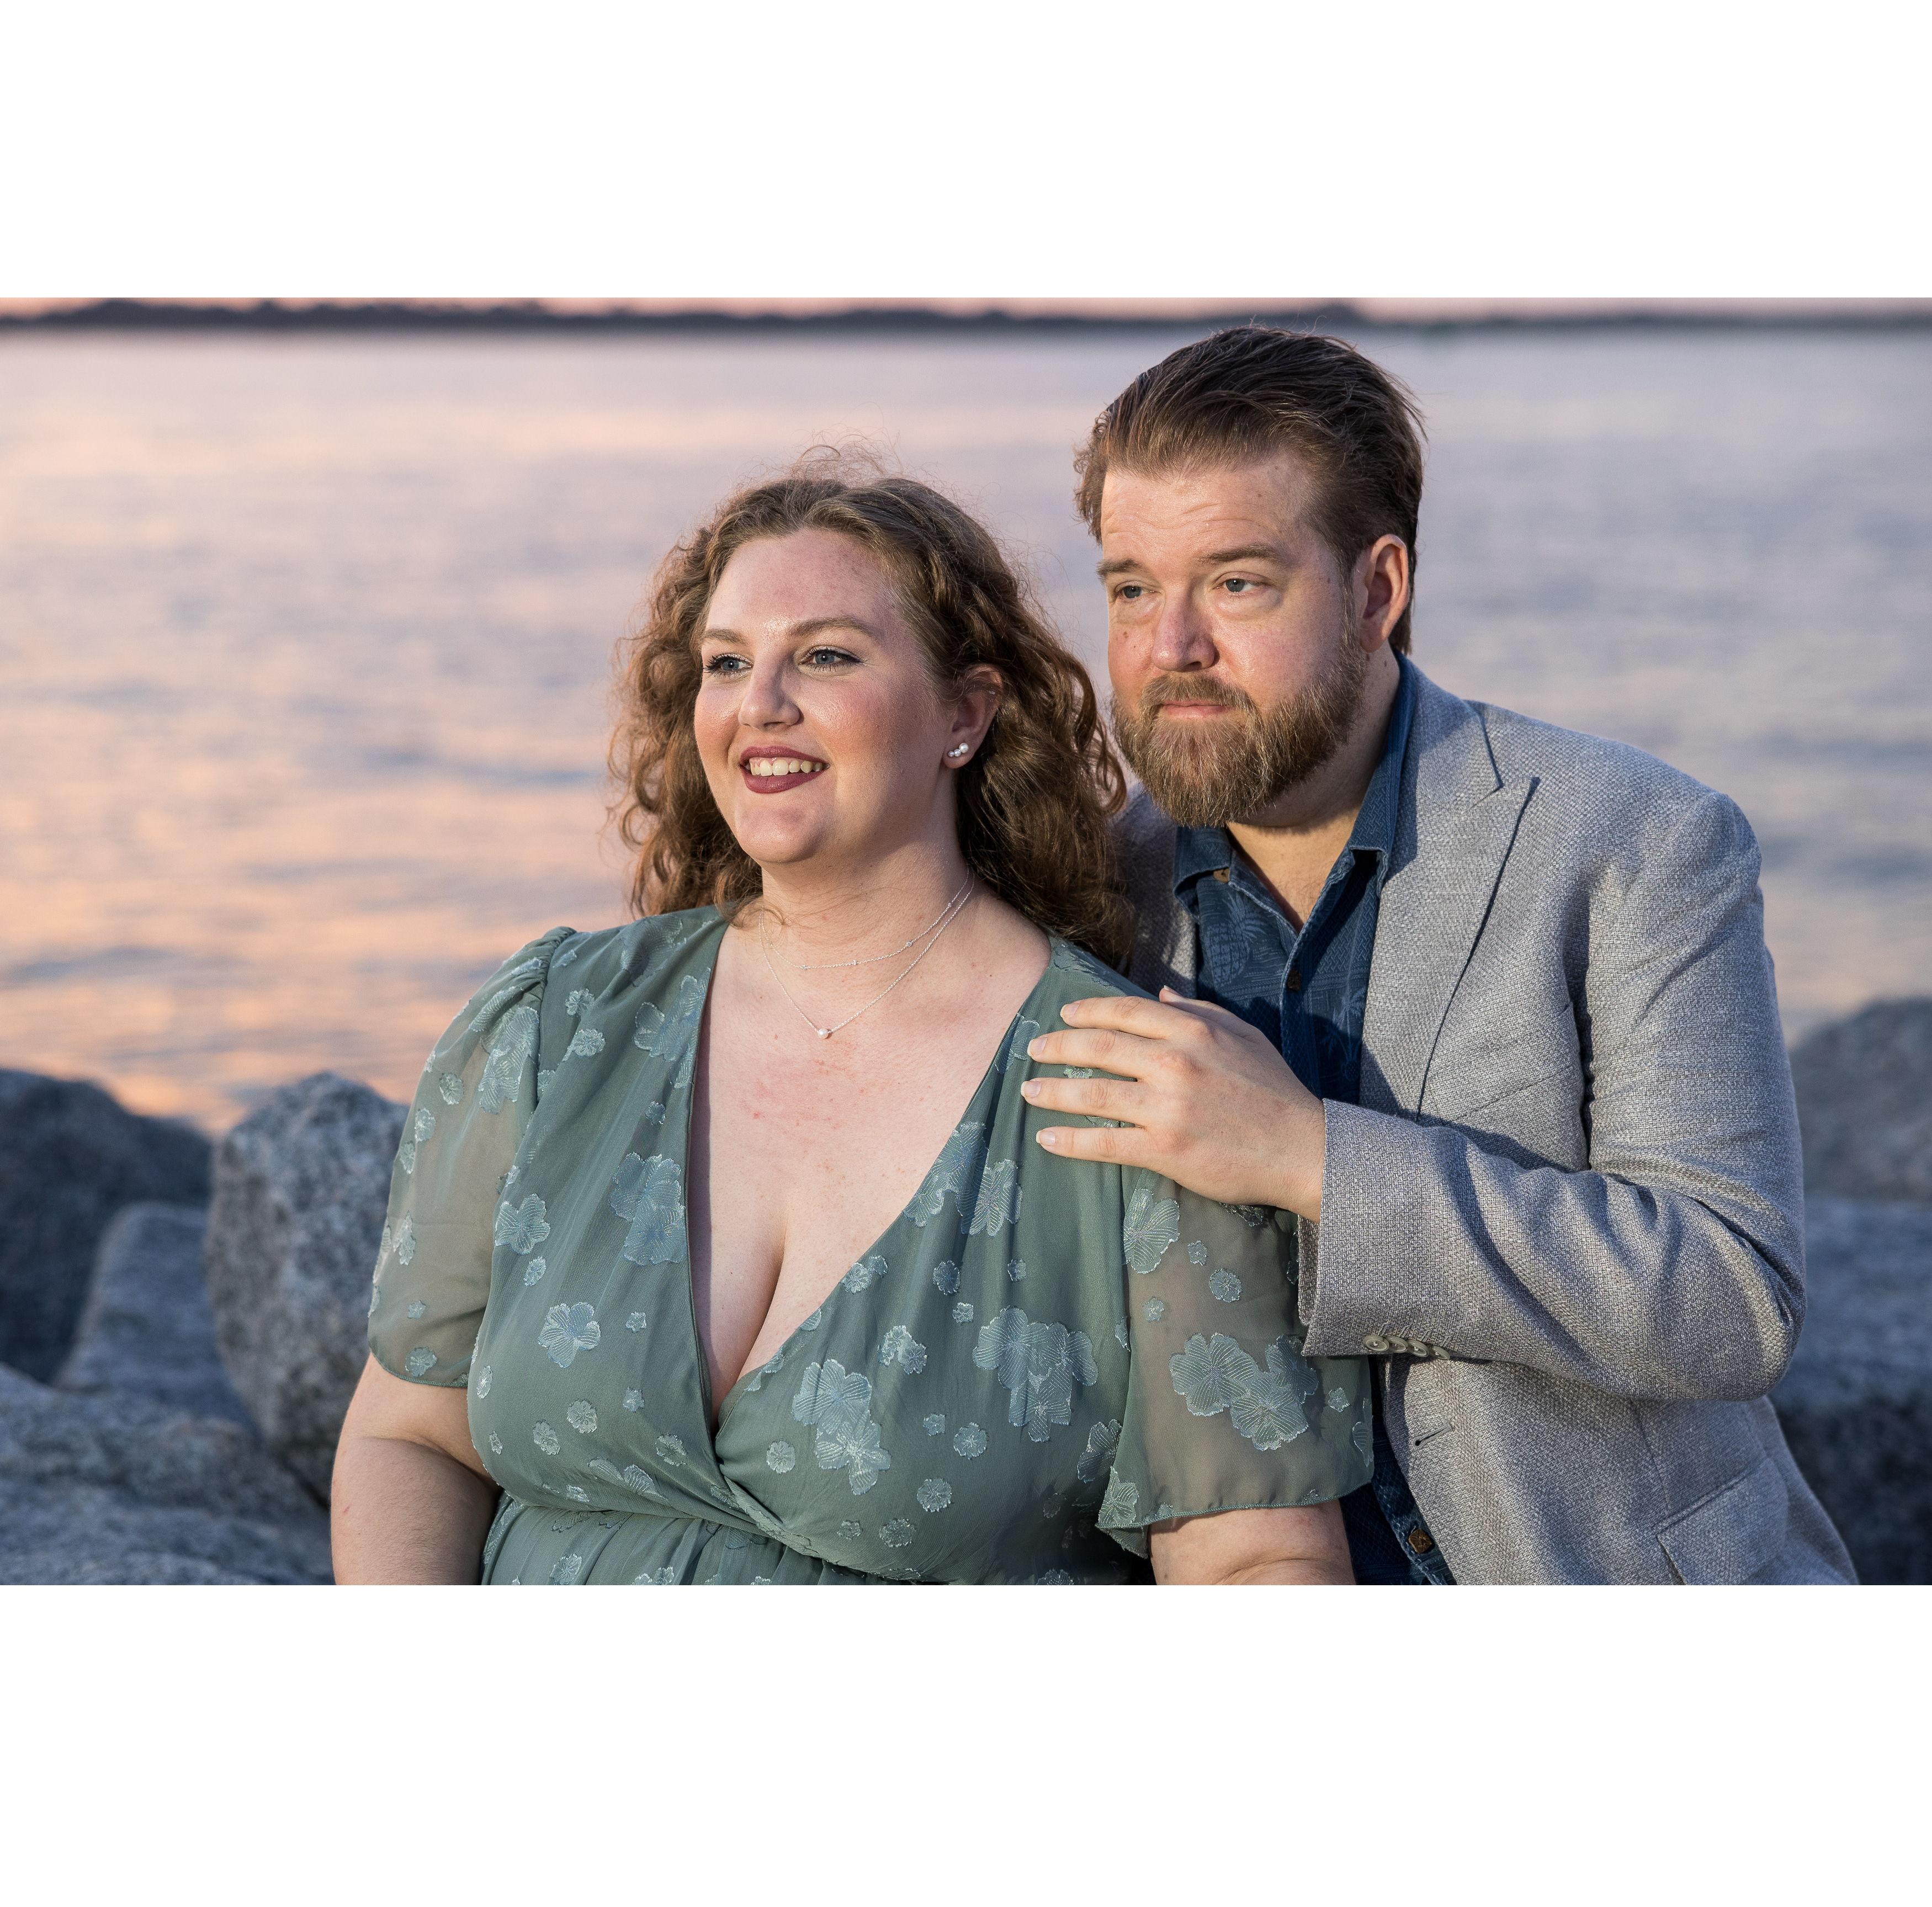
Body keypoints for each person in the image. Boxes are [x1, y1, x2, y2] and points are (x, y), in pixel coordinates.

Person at [331, 461, 1372, 1585]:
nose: (761, 704)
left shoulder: (1131, 1096)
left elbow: (1254, 1560)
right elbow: (411, 1430)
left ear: (965, 714)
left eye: (825, 656)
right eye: (727, 662)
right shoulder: (556, 1029)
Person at [1020, 327, 1855, 1584]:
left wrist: (1309, 1159)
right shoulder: (1082, 896)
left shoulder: (1638, 839)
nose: (1168, 645)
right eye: (1131, 588)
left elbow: (1731, 1299)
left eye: (1236, 584)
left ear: (1378, 590)